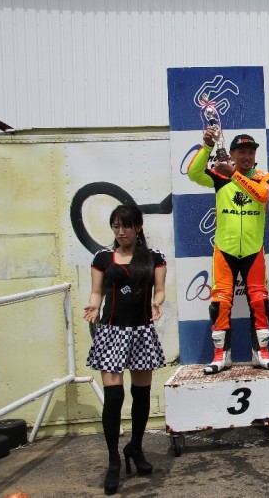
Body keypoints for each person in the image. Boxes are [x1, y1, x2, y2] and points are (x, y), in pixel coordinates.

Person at [84, 204, 167, 495]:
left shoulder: (154, 258)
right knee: (114, 396)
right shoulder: (102, 258)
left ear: (138, 227)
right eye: (116, 226)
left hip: (141, 331)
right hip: (112, 332)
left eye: (127, 226)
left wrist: (157, 303)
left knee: (141, 394)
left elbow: (160, 290)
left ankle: (136, 447)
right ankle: (113, 461)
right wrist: (93, 306)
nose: (121, 232)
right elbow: (96, 292)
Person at [188, 131, 269, 374]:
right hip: (225, 251)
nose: (246, 156)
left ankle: (262, 354)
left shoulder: (265, 177)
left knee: (260, 303)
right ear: (231, 154)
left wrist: (234, 175)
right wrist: (207, 146)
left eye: (251, 152)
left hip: (253, 252)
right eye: (241, 152)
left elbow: (262, 195)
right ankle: (221, 356)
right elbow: (193, 173)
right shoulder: (221, 176)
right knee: (220, 304)